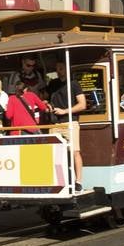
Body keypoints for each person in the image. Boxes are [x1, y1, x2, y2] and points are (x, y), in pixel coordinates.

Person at [48, 60, 87, 190]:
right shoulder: (52, 84)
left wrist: (64, 111)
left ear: (67, 69)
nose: (58, 71)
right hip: (54, 123)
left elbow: (82, 104)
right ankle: (60, 181)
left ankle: (78, 182)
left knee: (75, 151)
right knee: (54, 153)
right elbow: (46, 99)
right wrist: (47, 105)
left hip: (70, 122)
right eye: (57, 69)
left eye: (61, 68)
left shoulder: (74, 84)